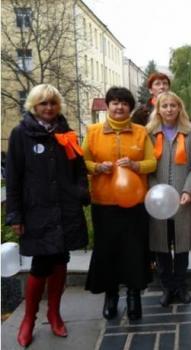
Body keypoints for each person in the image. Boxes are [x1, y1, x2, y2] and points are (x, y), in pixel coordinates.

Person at [6, 84, 89, 347]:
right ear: (34, 106)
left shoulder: (67, 133)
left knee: (61, 259)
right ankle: (29, 318)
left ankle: (55, 313)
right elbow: (14, 178)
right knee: (41, 263)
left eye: (52, 103)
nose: (49, 108)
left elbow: (79, 169)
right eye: (43, 104)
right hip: (37, 211)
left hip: (65, 209)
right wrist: (15, 215)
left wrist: (80, 192)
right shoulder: (20, 134)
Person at [83, 87, 157, 321]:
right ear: (107, 105)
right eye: (114, 103)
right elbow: (82, 162)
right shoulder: (93, 131)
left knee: (134, 250)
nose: (119, 107)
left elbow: (151, 162)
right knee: (107, 251)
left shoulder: (140, 132)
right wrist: (97, 168)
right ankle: (111, 295)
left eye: (124, 103)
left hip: (135, 203)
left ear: (130, 107)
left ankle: (134, 296)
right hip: (104, 203)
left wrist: (136, 166)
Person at [146, 91, 191, 307]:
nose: (169, 109)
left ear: (180, 108)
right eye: (165, 106)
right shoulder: (150, 134)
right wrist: (154, 193)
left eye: (173, 105)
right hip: (158, 201)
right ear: (158, 109)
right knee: (161, 244)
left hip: (183, 199)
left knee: (181, 244)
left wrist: (189, 190)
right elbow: (147, 167)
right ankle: (167, 287)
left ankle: (180, 285)